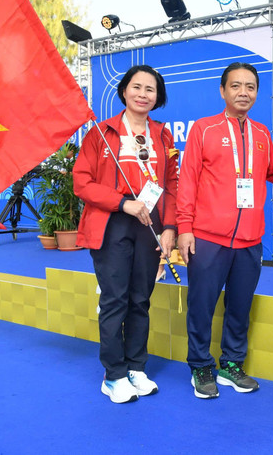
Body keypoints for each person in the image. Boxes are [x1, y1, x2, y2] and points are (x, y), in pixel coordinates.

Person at [73, 65, 178, 403]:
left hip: (150, 224)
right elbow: (82, 182)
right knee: (115, 299)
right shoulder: (100, 133)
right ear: (124, 92)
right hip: (112, 224)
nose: (143, 94)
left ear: (158, 96)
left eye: (150, 89)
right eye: (137, 87)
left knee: (140, 300)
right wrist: (122, 203)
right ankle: (114, 374)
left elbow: (172, 186)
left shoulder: (163, 136)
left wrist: (170, 228)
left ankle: (136, 366)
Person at [177, 62, 273, 399]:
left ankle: (232, 365)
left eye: (250, 87)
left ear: (257, 93)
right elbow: (188, 181)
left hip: (250, 241)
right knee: (202, 305)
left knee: (239, 307)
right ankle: (201, 366)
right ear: (223, 91)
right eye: (236, 86)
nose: (243, 92)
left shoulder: (263, 135)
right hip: (207, 238)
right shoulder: (204, 130)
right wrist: (185, 227)